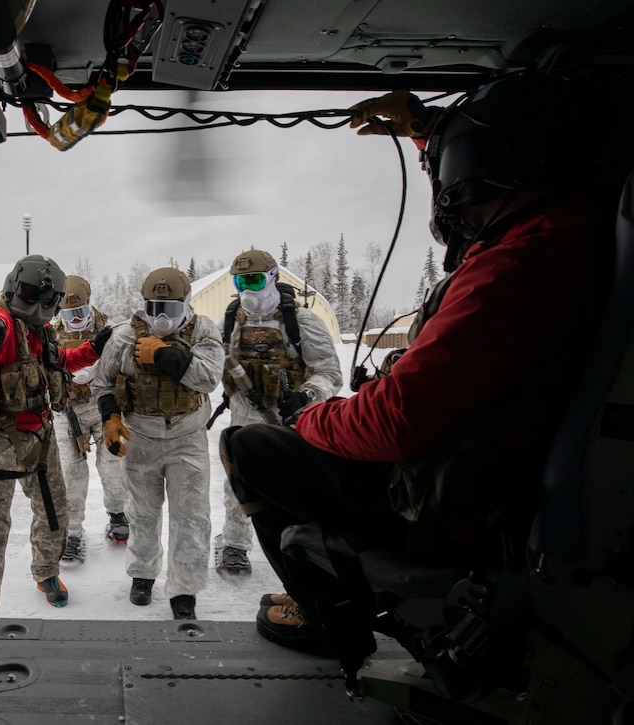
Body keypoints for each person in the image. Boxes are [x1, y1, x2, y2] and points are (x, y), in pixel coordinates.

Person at [218, 71, 615, 651]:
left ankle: (330, 616)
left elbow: (398, 420)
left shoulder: (518, 266)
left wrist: (314, 418)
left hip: (449, 499)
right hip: (479, 474)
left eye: (462, 180)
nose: (457, 210)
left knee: (249, 447)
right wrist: (431, 133)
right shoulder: (562, 236)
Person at [0, 254, 112, 617]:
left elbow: (61, 362)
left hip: (38, 434)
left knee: (55, 509)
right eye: (28, 294)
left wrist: (93, 348)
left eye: (46, 300)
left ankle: (46, 572)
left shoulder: (40, 331)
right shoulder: (2, 323)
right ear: (14, 289)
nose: (35, 304)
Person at [93, 267, 225, 620]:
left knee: (192, 517)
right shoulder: (124, 336)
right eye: (154, 308)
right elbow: (102, 382)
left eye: (169, 308)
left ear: (185, 303)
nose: (161, 317)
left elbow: (210, 378)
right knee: (142, 513)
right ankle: (142, 574)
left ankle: (184, 589)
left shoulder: (202, 330)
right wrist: (110, 417)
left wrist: (164, 354)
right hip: (142, 437)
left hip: (187, 438)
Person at [213, 250, 342, 575]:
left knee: (294, 482)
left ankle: (299, 543)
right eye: (240, 281)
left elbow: (329, 371)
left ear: (272, 277)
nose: (247, 288)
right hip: (243, 418)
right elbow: (211, 362)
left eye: (254, 279)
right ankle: (235, 544)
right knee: (239, 485)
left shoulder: (300, 322)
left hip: (289, 420)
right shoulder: (230, 321)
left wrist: (306, 396)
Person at [52, 275, 131, 563]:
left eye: (80, 312)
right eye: (68, 314)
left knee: (113, 465)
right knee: (70, 474)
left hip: (103, 408)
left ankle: (118, 513)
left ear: (89, 305)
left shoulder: (109, 330)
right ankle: (72, 532)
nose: (75, 319)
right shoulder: (51, 334)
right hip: (67, 411)